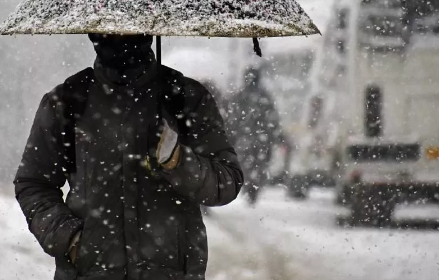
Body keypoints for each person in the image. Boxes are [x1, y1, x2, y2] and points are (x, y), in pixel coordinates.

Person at [14, 34, 243, 280]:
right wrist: (71, 240)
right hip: (90, 273)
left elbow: (226, 182)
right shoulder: (68, 101)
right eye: (107, 29)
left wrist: (177, 161)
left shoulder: (185, 98)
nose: (119, 37)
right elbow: (34, 184)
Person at [228, 66, 286, 206]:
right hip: (261, 141)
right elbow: (272, 120)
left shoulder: (239, 97)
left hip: (245, 140)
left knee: (246, 166)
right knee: (259, 166)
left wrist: (230, 136)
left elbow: (232, 120)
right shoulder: (265, 97)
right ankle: (253, 188)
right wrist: (276, 136)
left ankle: (249, 187)